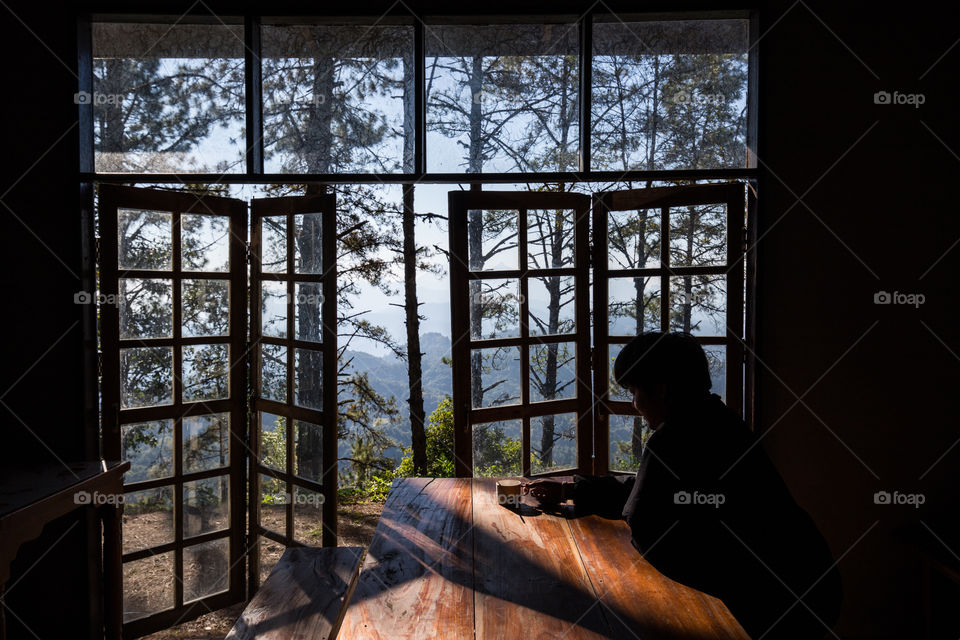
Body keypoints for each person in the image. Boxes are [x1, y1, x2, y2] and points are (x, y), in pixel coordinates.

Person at [526, 331, 842, 639]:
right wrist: (573, 490)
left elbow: (643, 517)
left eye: (636, 391)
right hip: (809, 580)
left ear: (661, 390)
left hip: (771, 603)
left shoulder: (674, 439)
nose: (635, 404)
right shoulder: (720, 421)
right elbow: (651, 491)